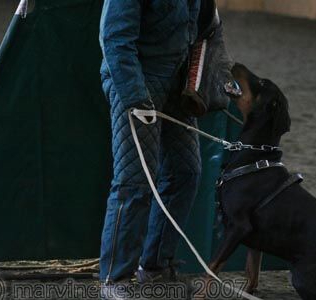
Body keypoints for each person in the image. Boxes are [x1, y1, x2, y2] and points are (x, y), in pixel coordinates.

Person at [98, 0, 202, 288]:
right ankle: (114, 279)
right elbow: (114, 38)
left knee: (186, 172)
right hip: (136, 80)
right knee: (134, 181)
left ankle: (154, 265)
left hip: (176, 84)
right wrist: (134, 97)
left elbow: (207, 27)